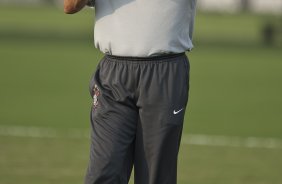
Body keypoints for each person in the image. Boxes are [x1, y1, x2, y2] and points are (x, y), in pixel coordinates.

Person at [64, 0, 196, 183]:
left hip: (164, 71)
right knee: (103, 173)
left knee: (155, 176)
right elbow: (70, 6)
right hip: (113, 74)